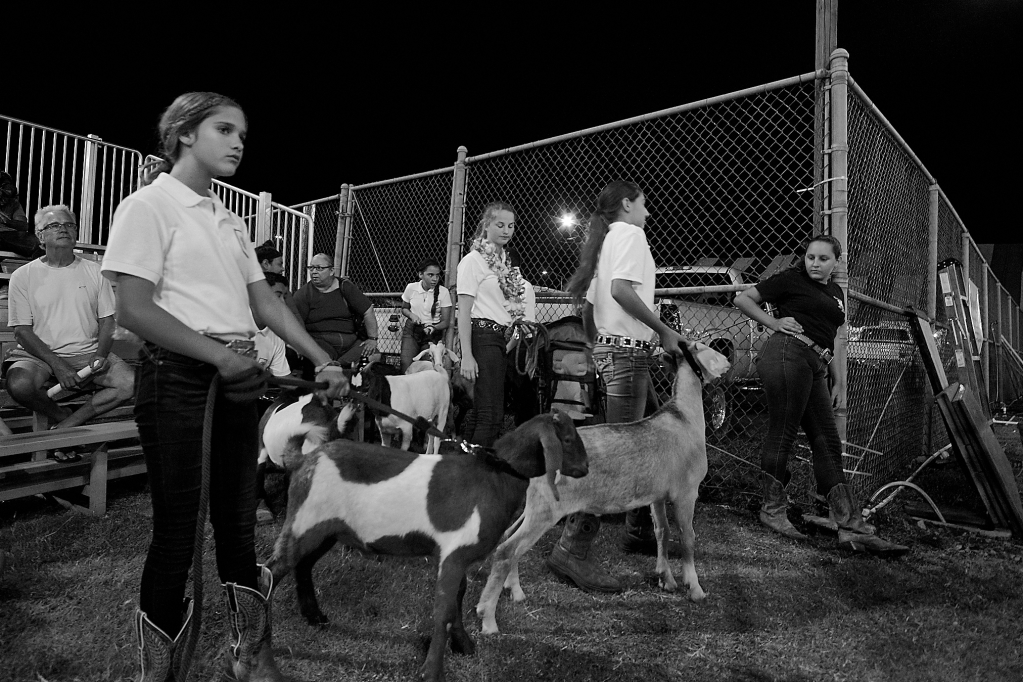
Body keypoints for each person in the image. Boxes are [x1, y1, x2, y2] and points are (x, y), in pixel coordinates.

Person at [101, 91, 347, 681]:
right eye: (225, 129)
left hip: (236, 380)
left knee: (238, 527)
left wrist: (322, 360)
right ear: (184, 133)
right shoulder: (148, 207)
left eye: (242, 133)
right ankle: (157, 673)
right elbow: (132, 308)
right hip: (180, 379)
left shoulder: (230, 220)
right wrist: (218, 356)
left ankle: (249, 656)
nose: (239, 142)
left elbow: (263, 301)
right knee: (178, 533)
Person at [546, 180, 687, 593]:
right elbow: (620, 291)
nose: (648, 211)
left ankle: (637, 529)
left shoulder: (607, 240)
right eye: (644, 203)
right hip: (626, 356)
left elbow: (589, 307)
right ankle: (572, 548)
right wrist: (661, 330)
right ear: (627, 205)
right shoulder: (630, 234)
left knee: (638, 443)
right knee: (619, 456)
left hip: (616, 353)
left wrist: (600, 342)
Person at [733, 234, 908, 557]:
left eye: (822, 259)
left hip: (817, 364)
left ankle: (850, 526)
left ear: (836, 262)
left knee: (827, 441)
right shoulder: (790, 278)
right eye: (810, 257)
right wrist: (773, 321)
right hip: (787, 354)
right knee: (783, 431)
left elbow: (838, 338)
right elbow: (743, 299)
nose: (814, 263)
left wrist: (839, 380)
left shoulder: (836, 292)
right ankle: (772, 510)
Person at [4, 205, 135, 461]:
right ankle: (64, 418)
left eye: (69, 225)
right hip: (38, 355)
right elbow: (21, 331)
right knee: (19, 384)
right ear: (40, 236)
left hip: (86, 352)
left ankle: (66, 427)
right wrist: (59, 365)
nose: (63, 229)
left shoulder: (95, 271)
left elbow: (108, 321)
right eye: (53, 226)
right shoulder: (23, 275)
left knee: (129, 383)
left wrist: (100, 354)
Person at [456, 201, 532, 448]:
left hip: (499, 339)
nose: (506, 230)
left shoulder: (505, 265)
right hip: (482, 335)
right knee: (492, 415)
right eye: (500, 224)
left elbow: (510, 306)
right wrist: (466, 355)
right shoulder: (473, 261)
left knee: (481, 411)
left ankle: (463, 468)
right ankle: (479, 474)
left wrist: (512, 338)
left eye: (511, 225)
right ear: (486, 225)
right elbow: (464, 311)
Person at [290, 252, 378, 369]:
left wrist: (372, 339)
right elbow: (295, 322)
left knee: (374, 355)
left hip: (350, 343)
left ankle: (340, 366)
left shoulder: (345, 287)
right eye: (311, 268)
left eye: (319, 268)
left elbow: (368, 311)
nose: (314, 272)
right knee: (322, 359)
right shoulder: (303, 294)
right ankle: (337, 366)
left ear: (331, 271)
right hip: (321, 343)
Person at [399, 257, 452, 371]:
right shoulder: (411, 288)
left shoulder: (443, 292)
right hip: (413, 330)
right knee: (406, 364)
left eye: (437, 275)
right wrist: (412, 315)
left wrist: (433, 327)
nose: (435, 279)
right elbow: (404, 308)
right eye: (430, 275)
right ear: (420, 274)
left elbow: (446, 322)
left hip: (432, 333)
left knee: (429, 367)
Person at [0, 171, 41, 258]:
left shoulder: (13, 203)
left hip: (10, 235)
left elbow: (23, 226)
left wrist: (8, 222)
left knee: (39, 245)